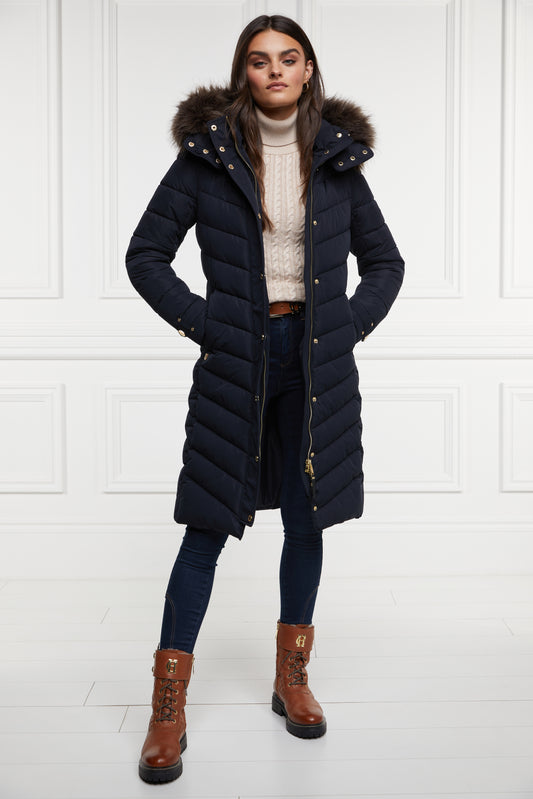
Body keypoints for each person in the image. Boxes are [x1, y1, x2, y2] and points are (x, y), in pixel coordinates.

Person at [125, 13, 404, 784]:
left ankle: (292, 678)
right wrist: (204, 322)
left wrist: (346, 324)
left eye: (288, 58)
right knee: (206, 524)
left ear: (308, 70)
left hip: (316, 364)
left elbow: (385, 263)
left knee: (306, 516)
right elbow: (145, 255)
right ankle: (167, 706)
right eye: (259, 60)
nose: (274, 70)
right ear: (242, 72)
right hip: (235, 360)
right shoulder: (207, 158)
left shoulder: (338, 161)